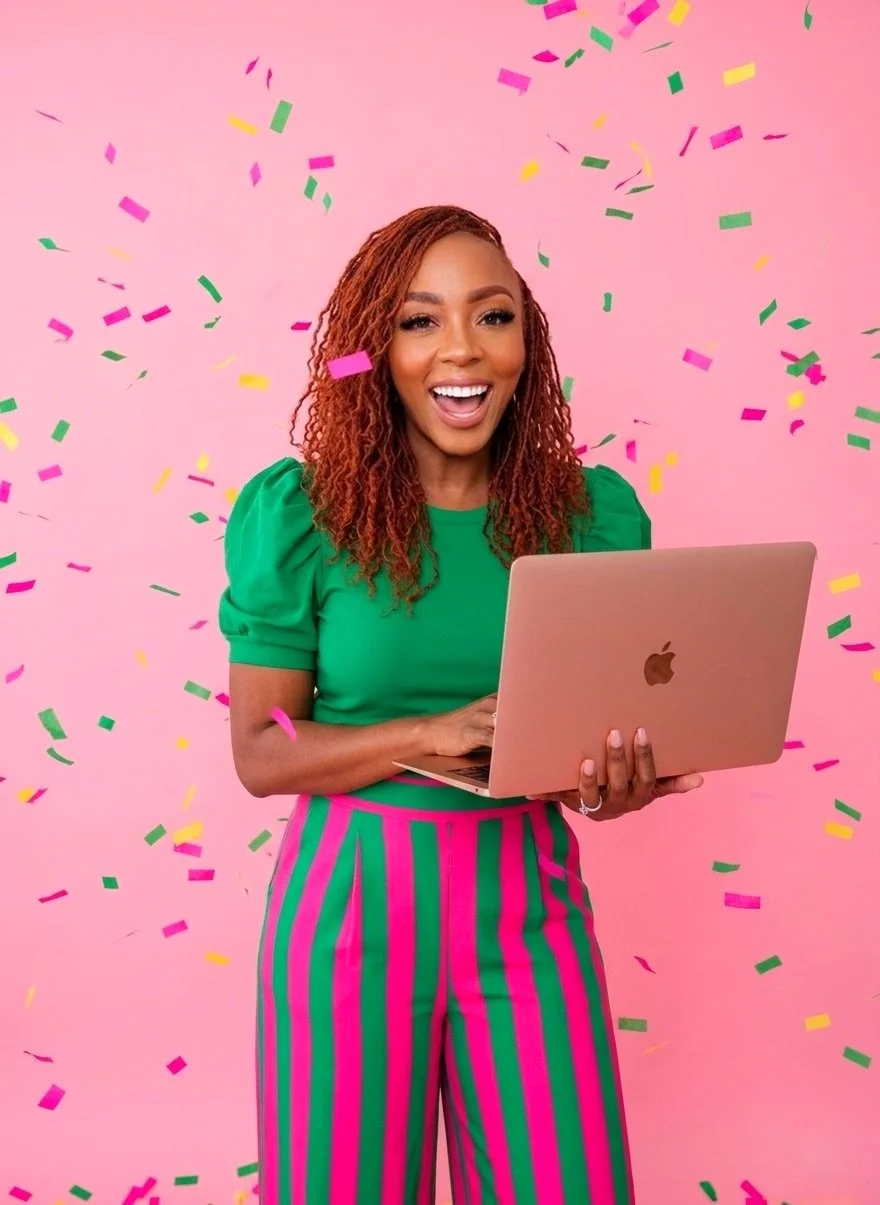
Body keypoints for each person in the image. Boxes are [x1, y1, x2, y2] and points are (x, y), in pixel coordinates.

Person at [219, 205, 704, 1205]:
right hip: (349, 909)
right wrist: (424, 735)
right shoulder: (300, 517)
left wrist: (613, 788)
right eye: (417, 320)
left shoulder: (592, 517)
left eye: (491, 316)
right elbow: (264, 749)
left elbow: (585, 759)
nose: (460, 349)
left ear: (527, 342)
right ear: (373, 352)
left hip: (529, 905)